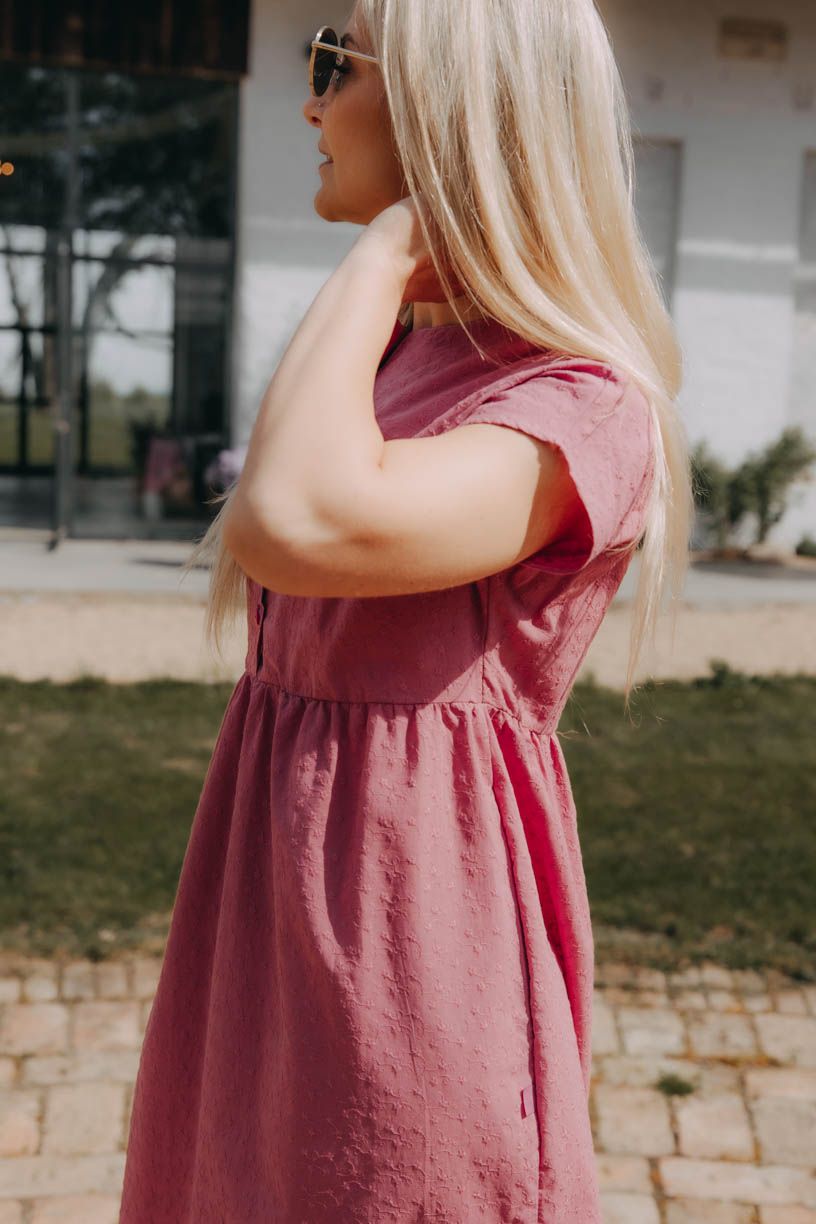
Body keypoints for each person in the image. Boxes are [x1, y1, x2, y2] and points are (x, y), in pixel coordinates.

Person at [118, 0, 693, 1219]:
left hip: (411, 944)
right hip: (268, 910)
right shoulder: (400, 367)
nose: (310, 101)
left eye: (337, 61)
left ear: (452, 106)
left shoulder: (576, 403)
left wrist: (387, 251)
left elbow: (296, 519)